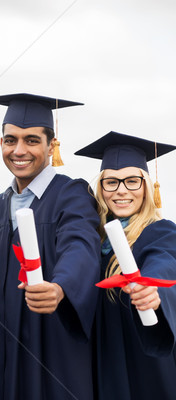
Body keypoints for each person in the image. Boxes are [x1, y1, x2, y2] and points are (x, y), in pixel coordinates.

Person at [0, 93, 101, 399]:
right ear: (1, 143)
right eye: (10, 140)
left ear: (51, 145)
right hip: (3, 351)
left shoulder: (71, 194)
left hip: (50, 346)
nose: (19, 150)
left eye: (31, 140)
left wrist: (61, 286)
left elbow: (81, 246)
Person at [75, 131, 176, 399]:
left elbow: (164, 261)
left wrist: (152, 289)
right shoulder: (90, 240)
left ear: (147, 187)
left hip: (145, 362)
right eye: (111, 182)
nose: (121, 190)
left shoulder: (161, 231)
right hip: (100, 358)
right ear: (101, 188)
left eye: (132, 181)